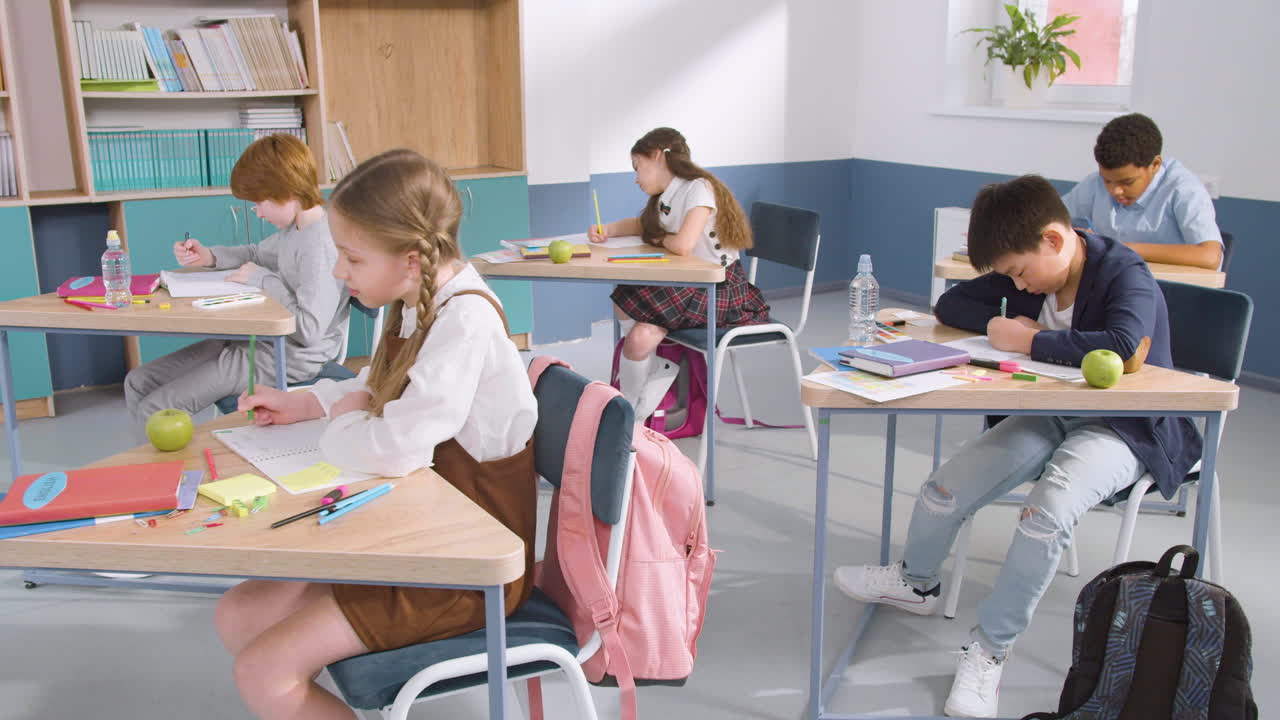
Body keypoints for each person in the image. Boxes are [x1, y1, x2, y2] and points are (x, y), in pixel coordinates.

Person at [834, 175, 1201, 718]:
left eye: (1020, 272)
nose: (1021, 286)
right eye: (1010, 276)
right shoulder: (1033, 271)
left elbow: (1123, 346)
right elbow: (952, 303)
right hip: (1052, 412)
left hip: (1124, 425)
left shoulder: (1124, 272)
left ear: (1055, 240)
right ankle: (916, 582)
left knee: (1045, 514)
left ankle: (989, 650)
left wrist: (1030, 340)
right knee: (945, 487)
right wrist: (998, 320)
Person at [215, 149, 538, 719]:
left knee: (261, 671)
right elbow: (382, 383)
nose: (339, 272)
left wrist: (342, 420)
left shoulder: (464, 320)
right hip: (409, 531)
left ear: (410, 260)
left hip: (459, 566)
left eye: (350, 257)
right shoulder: (417, 297)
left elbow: (393, 444)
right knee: (238, 617)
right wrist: (310, 401)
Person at [124, 133, 348, 435]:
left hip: (288, 357)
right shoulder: (295, 229)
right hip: (254, 340)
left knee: (156, 408)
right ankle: (151, 470)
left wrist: (262, 279)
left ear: (285, 192)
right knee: (138, 382)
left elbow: (309, 330)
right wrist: (209, 256)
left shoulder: (319, 244)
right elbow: (257, 252)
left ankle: (159, 478)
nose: (257, 211)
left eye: (259, 202)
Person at [590, 127, 771, 418]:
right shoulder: (667, 196)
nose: (635, 178)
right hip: (690, 283)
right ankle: (645, 375)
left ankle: (630, 413)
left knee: (638, 333)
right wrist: (608, 230)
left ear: (658, 156)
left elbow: (683, 244)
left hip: (720, 288)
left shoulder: (698, 187)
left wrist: (658, 239)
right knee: (623, 294)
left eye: (638, 167)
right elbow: (641, 225)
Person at [1062, 112, 1223, 270]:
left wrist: (1119, 248)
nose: (1115, 190)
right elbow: (1050, 218)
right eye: (1107, 180)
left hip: (1166, 291)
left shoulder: (1184, 190)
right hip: (1116, 284)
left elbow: (1210, 256)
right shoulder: (1095, 183)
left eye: (1127, 182)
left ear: (1155, 165)